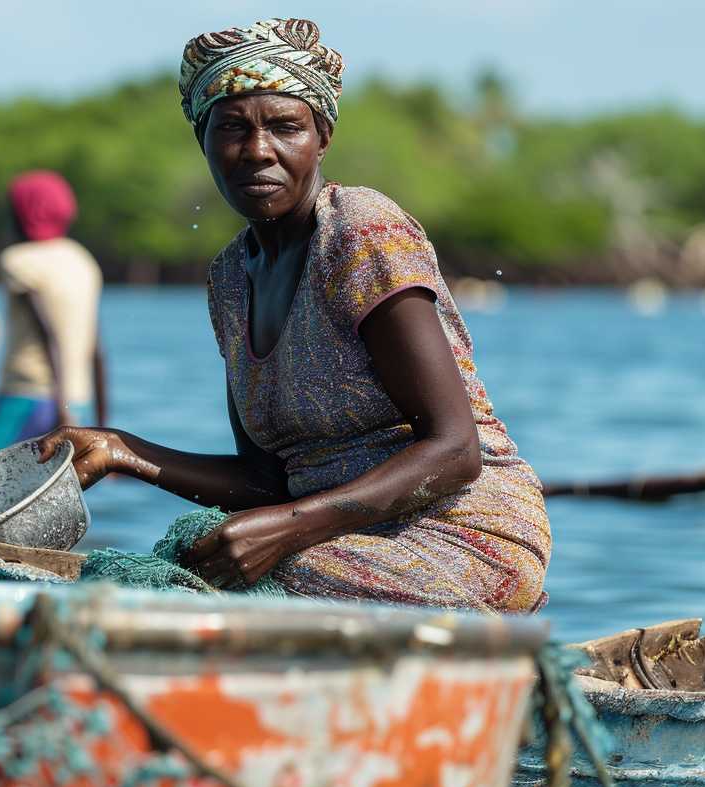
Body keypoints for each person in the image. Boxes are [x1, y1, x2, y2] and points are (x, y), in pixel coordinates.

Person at [39, 18, 550, 613]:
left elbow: (456, 450)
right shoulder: (230, 279)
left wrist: (285, 528)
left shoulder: (361, 234)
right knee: (194, 560)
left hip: (464, 533)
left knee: (222, 580)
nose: (258, 151)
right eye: (231, 129)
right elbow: (265, 483)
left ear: (322, 136)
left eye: (285, 126)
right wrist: (123, 450)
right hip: (327, 538)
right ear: (202, 141)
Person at [0, 171, 107, 455]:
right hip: (78, 399)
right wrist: (103, 430)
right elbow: (96, 348)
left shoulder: (18, 261)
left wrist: (62, 411)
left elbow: (48, 335)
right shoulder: (82, 261)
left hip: (27, 396)